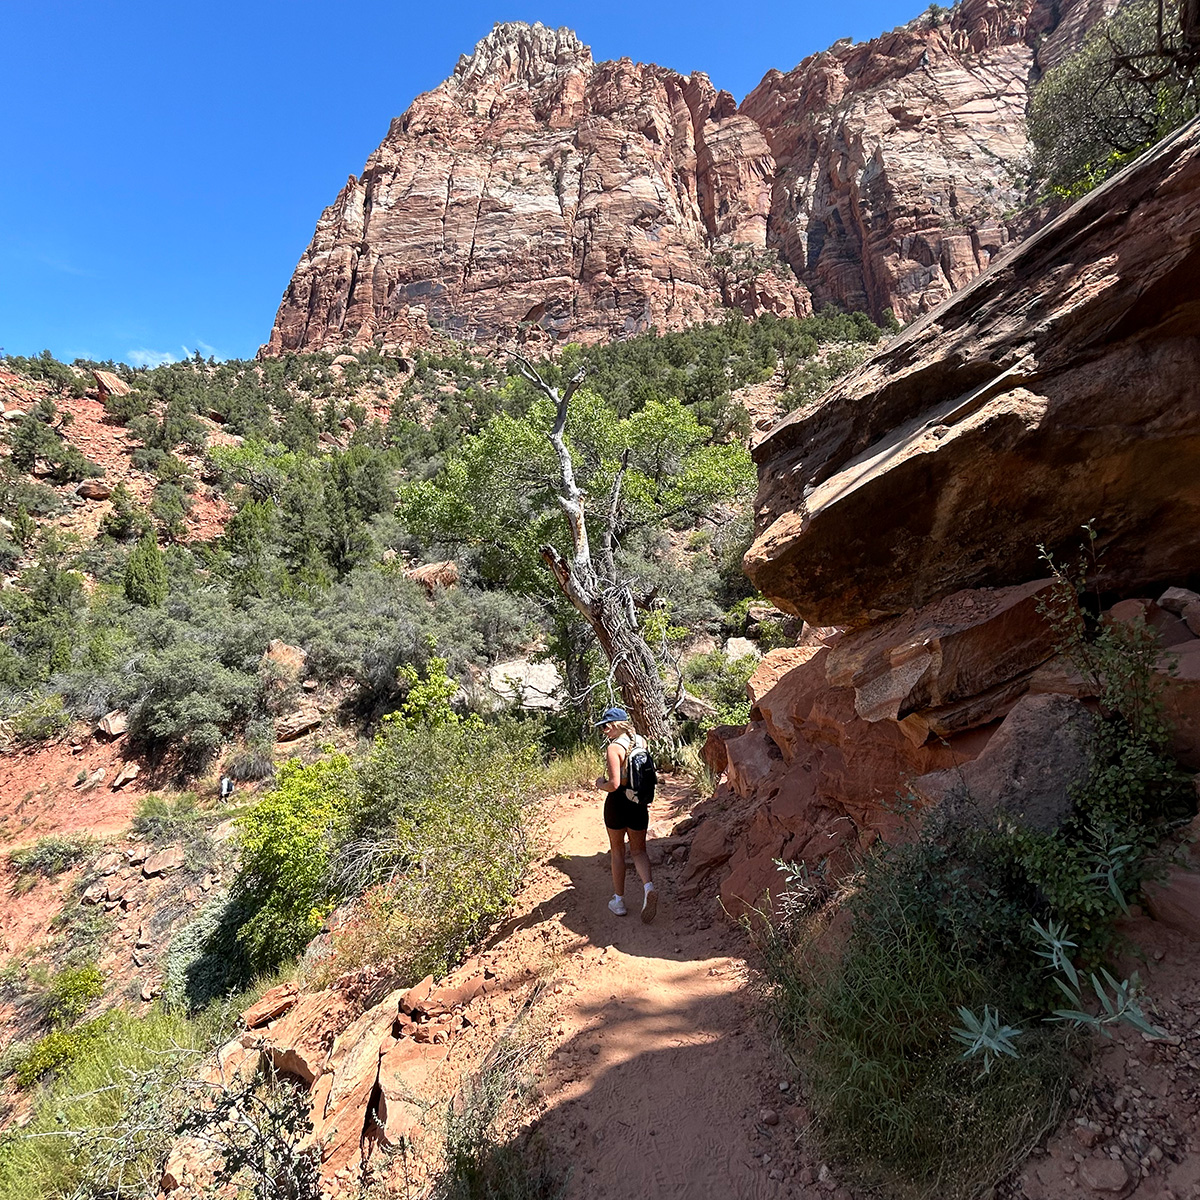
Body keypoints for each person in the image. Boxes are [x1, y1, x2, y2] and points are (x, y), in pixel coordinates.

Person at [594, 706, 657, 923]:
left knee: (618, 851)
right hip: (638, 802)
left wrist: (599, 784)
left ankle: (619, 901)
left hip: (618, 802)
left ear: (612, 726)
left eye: (604, 727)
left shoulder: (614, 748)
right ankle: (648, 888)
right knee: (639, 851)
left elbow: (613, 784)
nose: (604, 731)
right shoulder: (641, 740)